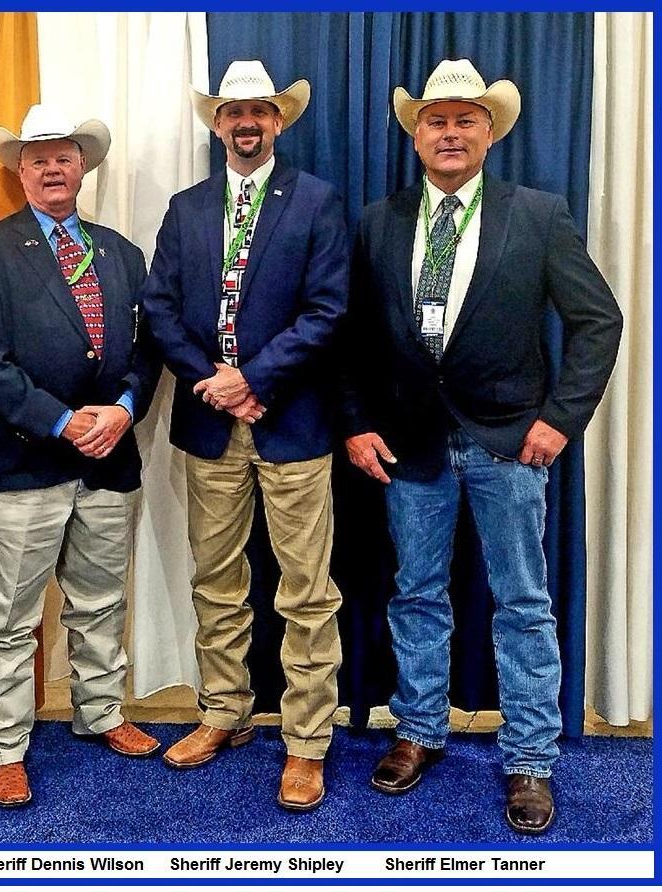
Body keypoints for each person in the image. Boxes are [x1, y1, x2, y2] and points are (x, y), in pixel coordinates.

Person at [341, 59, 622, 834]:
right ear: (417, 134)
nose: (451, 132)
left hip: (508, 442)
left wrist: (562, 418)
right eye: (437, 119)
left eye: (466, 119)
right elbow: (354, 336)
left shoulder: (538, 213)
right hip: (408, 448)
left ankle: (530, 759)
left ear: (489, 132)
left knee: (524, 606)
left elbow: (599, 321)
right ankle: (419, 731)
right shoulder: (378, 220)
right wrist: (357, 421)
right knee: (416, 593)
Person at [142, 60, 348, 811]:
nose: (246, 123)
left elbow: (328, 311)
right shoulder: (187, 207)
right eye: (233, 112)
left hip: (291, 424)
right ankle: (223, 711)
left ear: (278, 121)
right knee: (217, 582)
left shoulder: (318, 203)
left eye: (258, 110)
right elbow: (158, 308)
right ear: (216, 123)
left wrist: (254, 380)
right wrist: (212, 379)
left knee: (306, 591)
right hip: (208, 424)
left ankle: (306, 742)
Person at [0, 104, 162, 807]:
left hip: (111, 461)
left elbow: (147, 351)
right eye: (37, 156)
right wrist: (66, 422)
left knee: (101, 603)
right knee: (10, 617)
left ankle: (101, 712)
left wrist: (125, 409)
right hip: (26, 464)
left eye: (63, 156)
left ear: (82, 167)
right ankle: (4, 744)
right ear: (20, 171)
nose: (51, 167)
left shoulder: (122, 253)